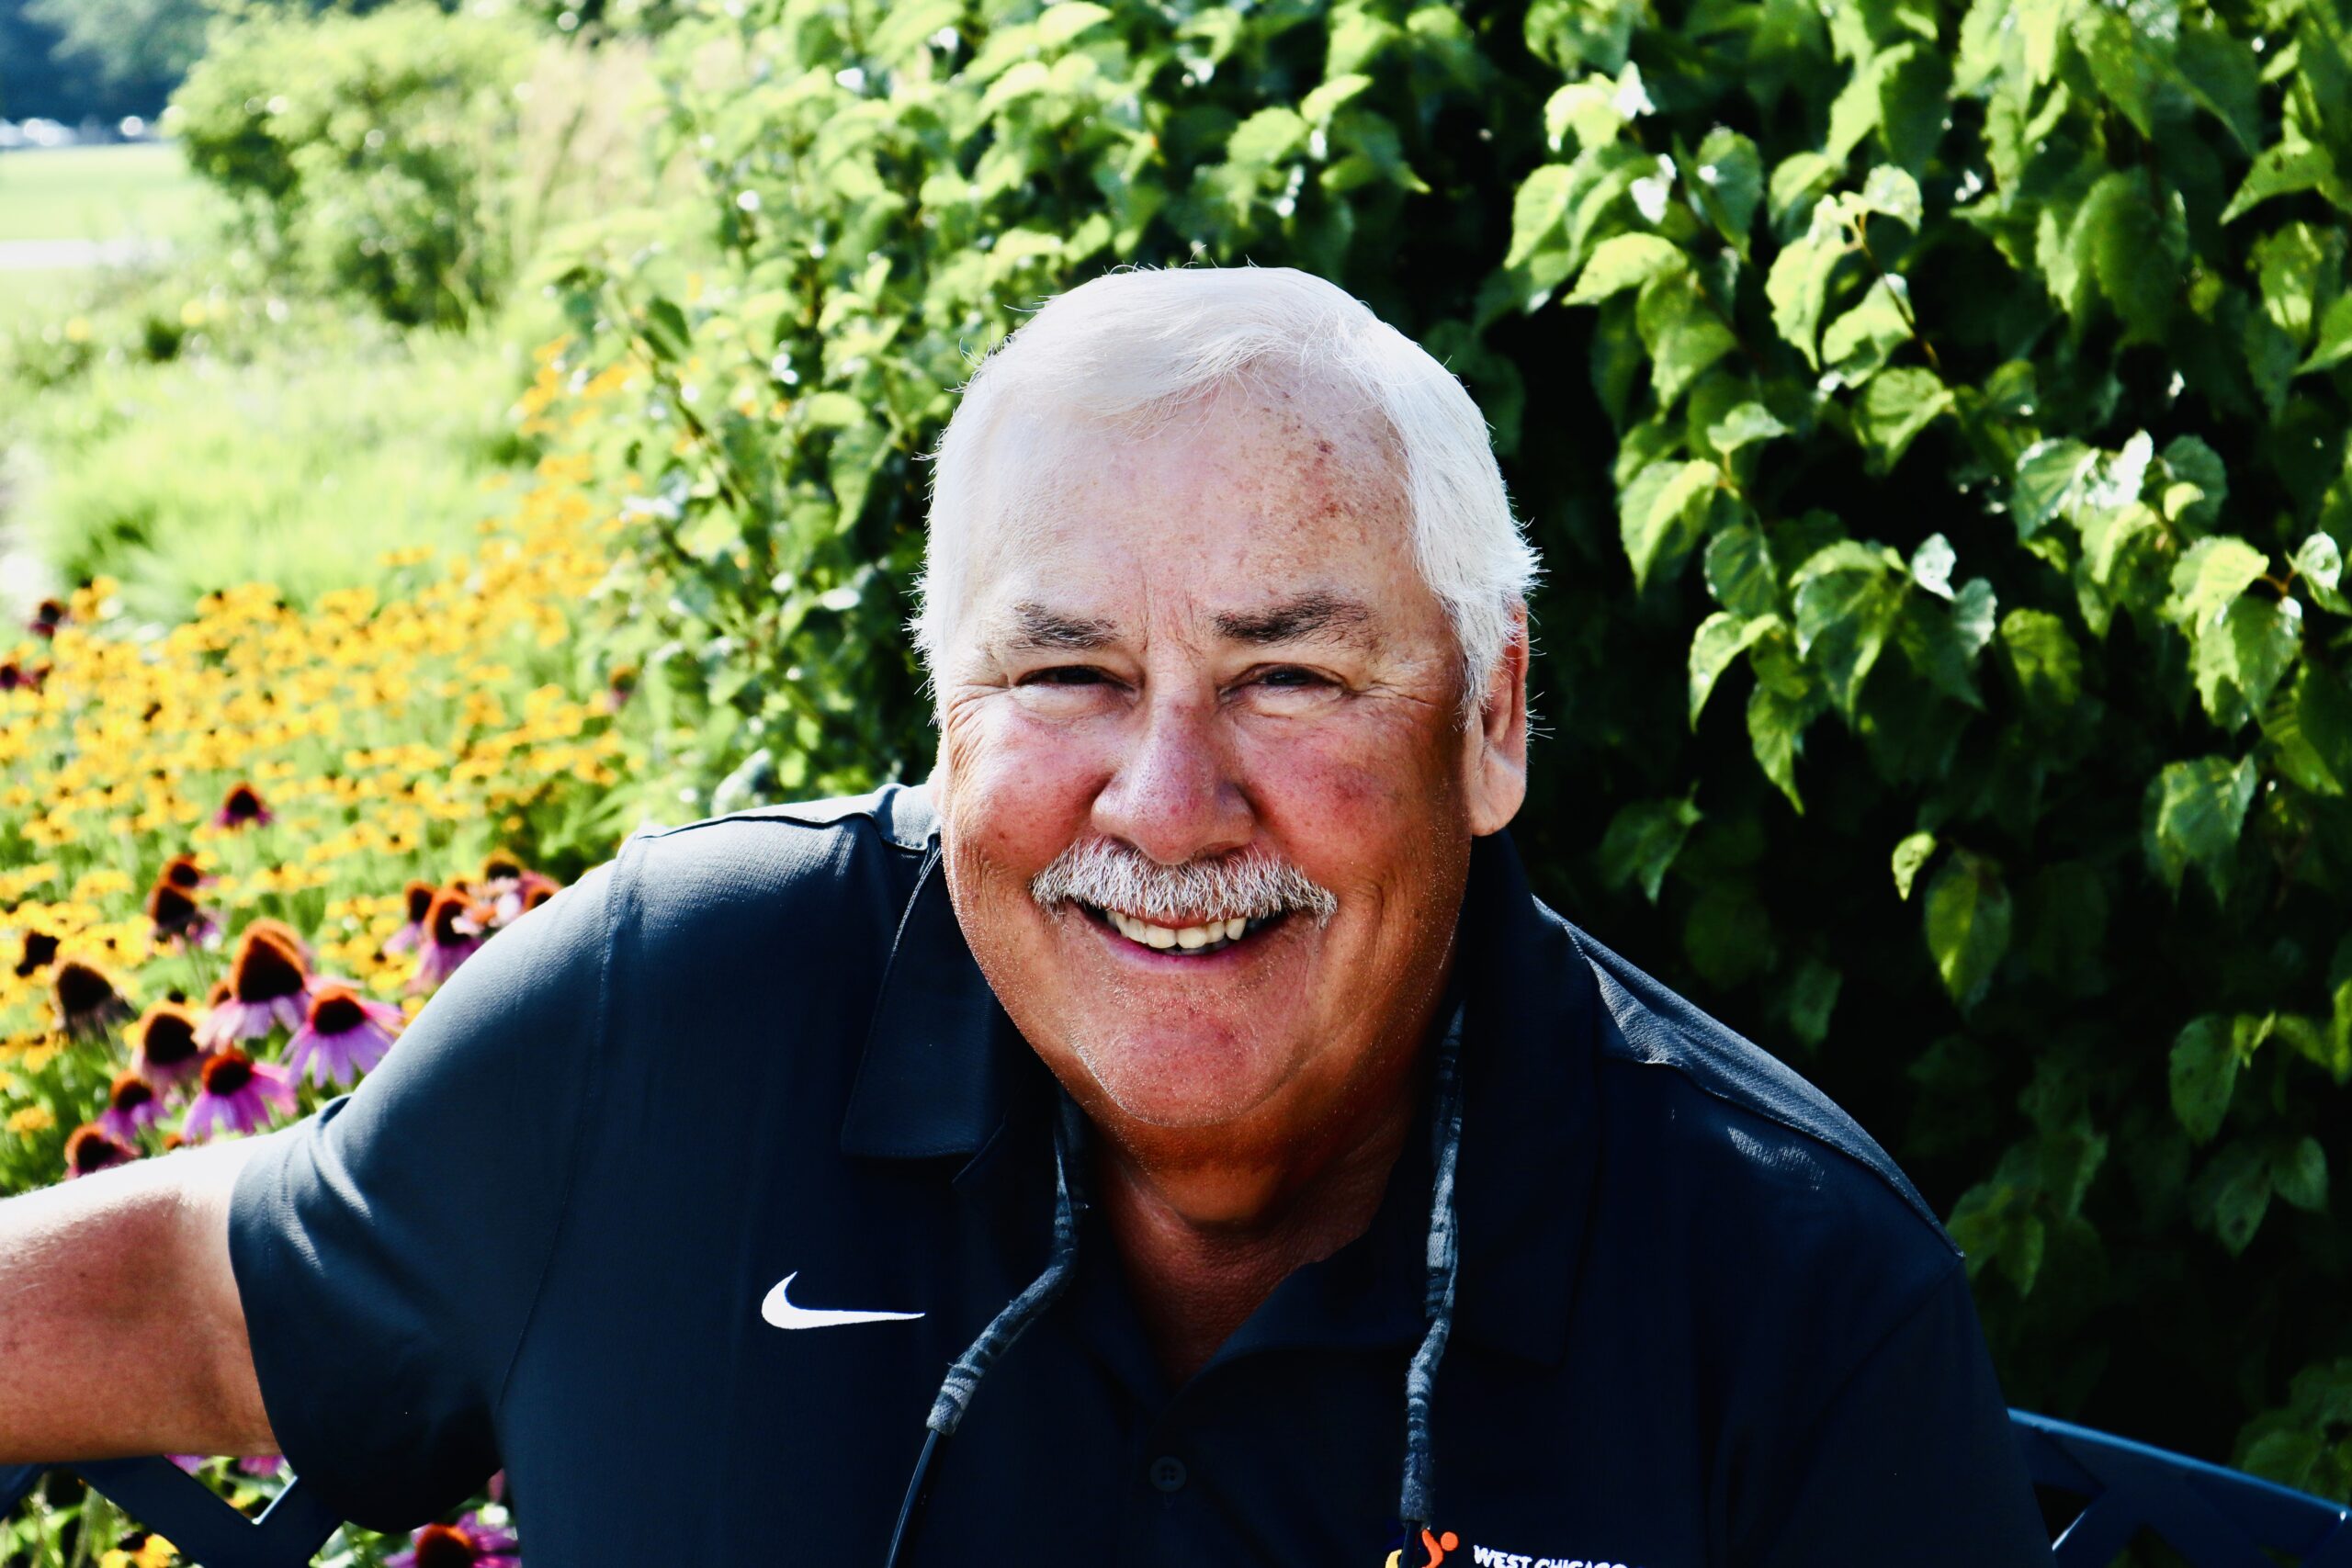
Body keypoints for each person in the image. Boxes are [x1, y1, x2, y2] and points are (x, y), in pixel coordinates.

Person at [0, 266, 2053, 1565]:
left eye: (1289, 674)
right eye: (1062, 672)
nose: (1163, 803)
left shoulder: (1790, 1288)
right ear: (944, 707)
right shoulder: (672, 1018)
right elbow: (203, 1285)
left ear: (1491, 714)